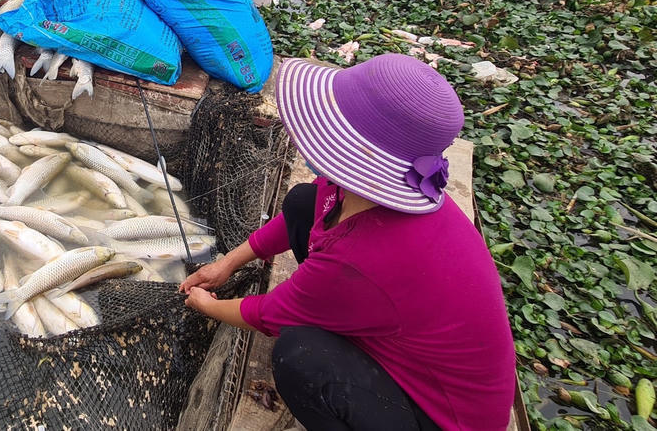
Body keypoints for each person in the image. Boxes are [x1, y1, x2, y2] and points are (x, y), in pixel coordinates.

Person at [180, 53, 516, 430]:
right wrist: (228, 263)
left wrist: (206, 305)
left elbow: (268, 315)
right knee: (302, 201)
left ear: (361, 153)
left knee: (300, 357)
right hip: (400, 334)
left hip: (441, 417)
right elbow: (311, 205)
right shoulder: (363, 190)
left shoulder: (361, 258)